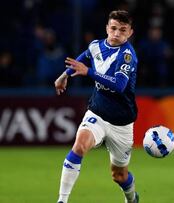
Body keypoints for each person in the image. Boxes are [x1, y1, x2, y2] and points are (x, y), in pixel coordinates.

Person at [54, 10, 139, 203]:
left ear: (130, 33)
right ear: (107, 28)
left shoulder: (127, 56)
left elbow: (119, 85)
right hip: (97, 112)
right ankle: (62, 200)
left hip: (121, 123)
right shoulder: (96, 46)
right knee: (79, 146)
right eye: (114, 28)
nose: (117, 33)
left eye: (123, 30)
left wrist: (89, 72)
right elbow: (83, 58)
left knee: (119, 176)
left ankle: (132, 198)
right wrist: (64, 75)